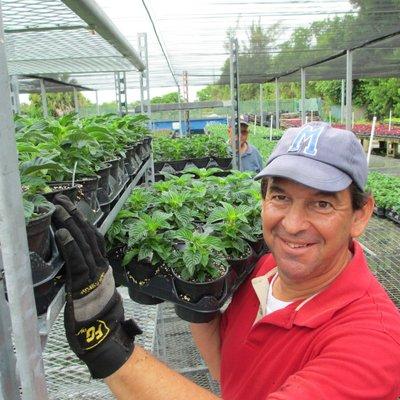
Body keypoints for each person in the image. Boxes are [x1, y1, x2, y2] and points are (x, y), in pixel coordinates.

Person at [52, 121, 400, 400]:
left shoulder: (374, 343)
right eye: (280, 197)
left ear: (360, 214)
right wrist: (195, 306)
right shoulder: (265, 271)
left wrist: (108, 345)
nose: (293, 225)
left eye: (321, 204)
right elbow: (229, 373)